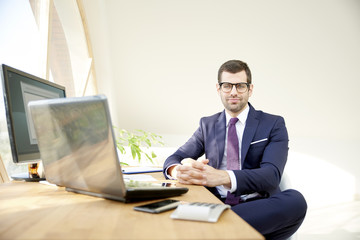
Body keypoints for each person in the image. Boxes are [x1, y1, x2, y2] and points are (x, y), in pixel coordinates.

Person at [163, 60, 307, 240]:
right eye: (227, 86)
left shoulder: (273, 124)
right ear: (218, 89)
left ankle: (216, 227)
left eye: (240, 86)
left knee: (295, 201)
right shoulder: (207, 125)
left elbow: (272, 175)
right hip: (216, 202)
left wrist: (222, 177)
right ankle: (227, 230)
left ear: (250, 89)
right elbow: (176, 157)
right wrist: (178, 171)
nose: (233, 92)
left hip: (258, 207)